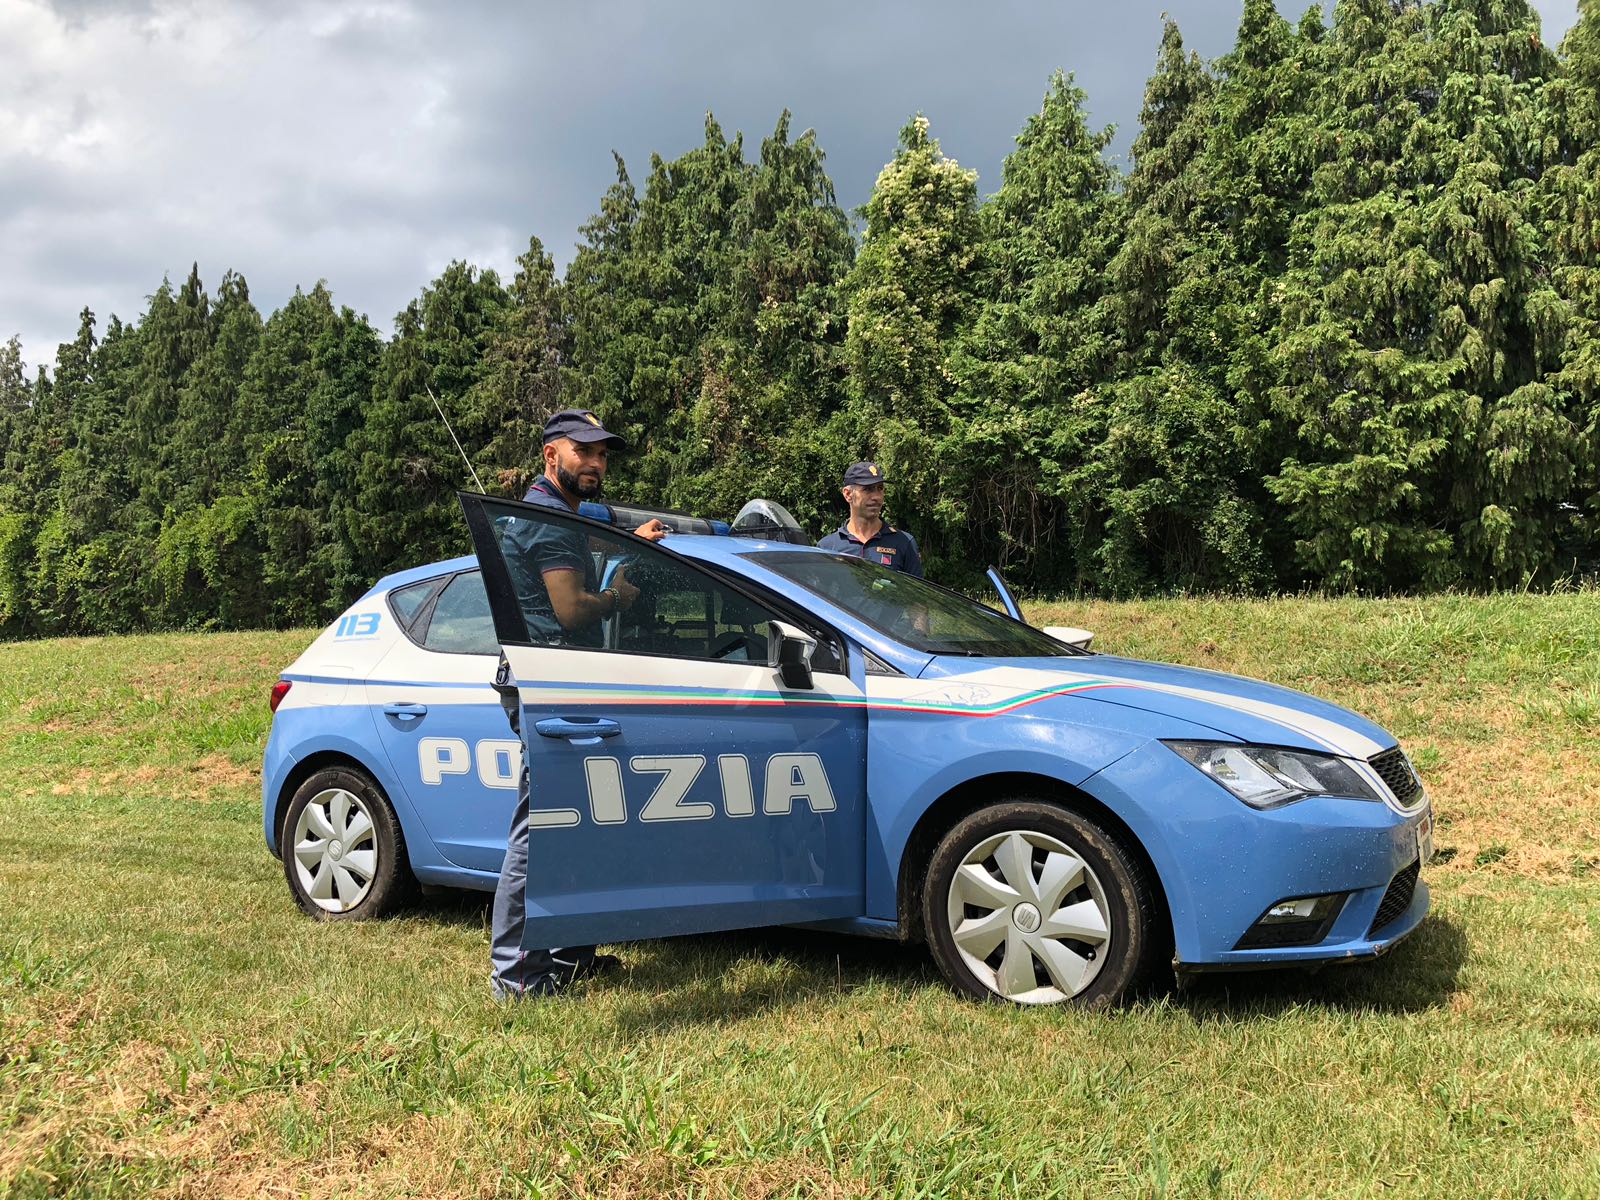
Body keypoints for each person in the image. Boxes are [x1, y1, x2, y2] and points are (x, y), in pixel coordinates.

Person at [490, 409, 668, 1000]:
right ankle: (516, 975)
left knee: (577, 827)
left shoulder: (554, 512)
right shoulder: (548, 521)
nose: (595, 463)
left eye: (602, 454)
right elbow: (569, 611)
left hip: (559, 678)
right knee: (541, 830)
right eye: (582, 451)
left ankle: (565, 959)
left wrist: (627, 541)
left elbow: (582, 537)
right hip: (549, 683)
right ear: (551, 456)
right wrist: (616, 596)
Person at [818, 461, 923, 576]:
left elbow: (916, 593)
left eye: (880, 488)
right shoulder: (827, 547)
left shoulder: (903, 542)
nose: (876, 497)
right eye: (867, 489)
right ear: (848, 494)